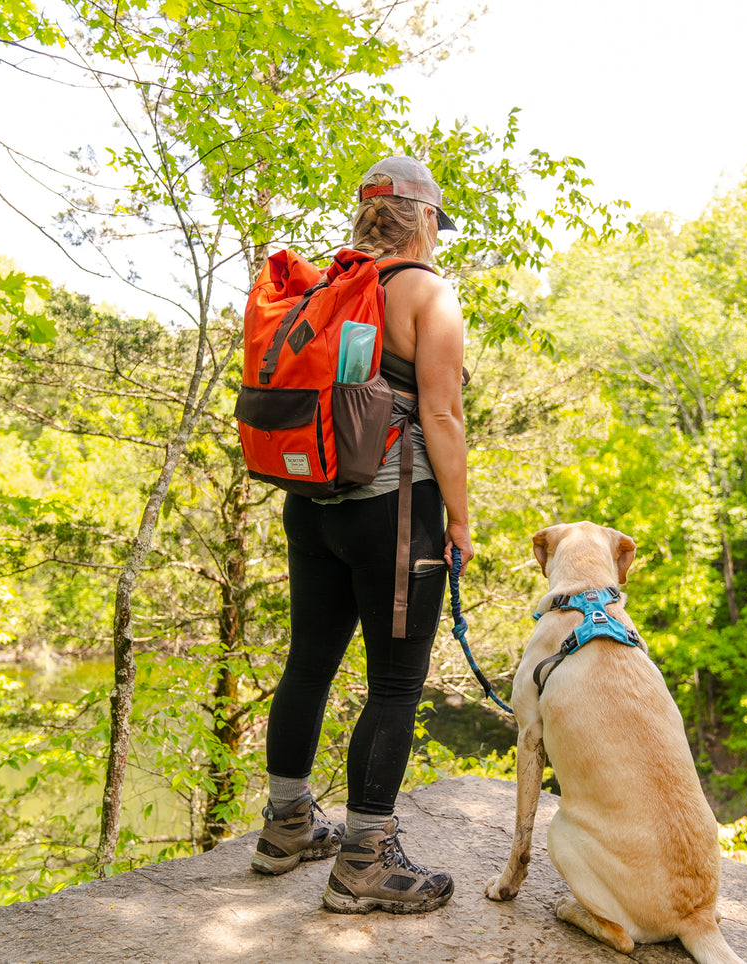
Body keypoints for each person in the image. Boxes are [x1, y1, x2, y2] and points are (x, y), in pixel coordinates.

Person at [251, 156, 475, 916]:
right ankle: (365, 862)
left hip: (311, 504)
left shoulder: (327, 287)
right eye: (435, 225)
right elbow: (441, 416)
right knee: (395, 686)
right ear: (421, 220)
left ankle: (285, 829)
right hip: (394, 513)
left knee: (307, 664)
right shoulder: (424, 291)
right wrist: (461, 520)